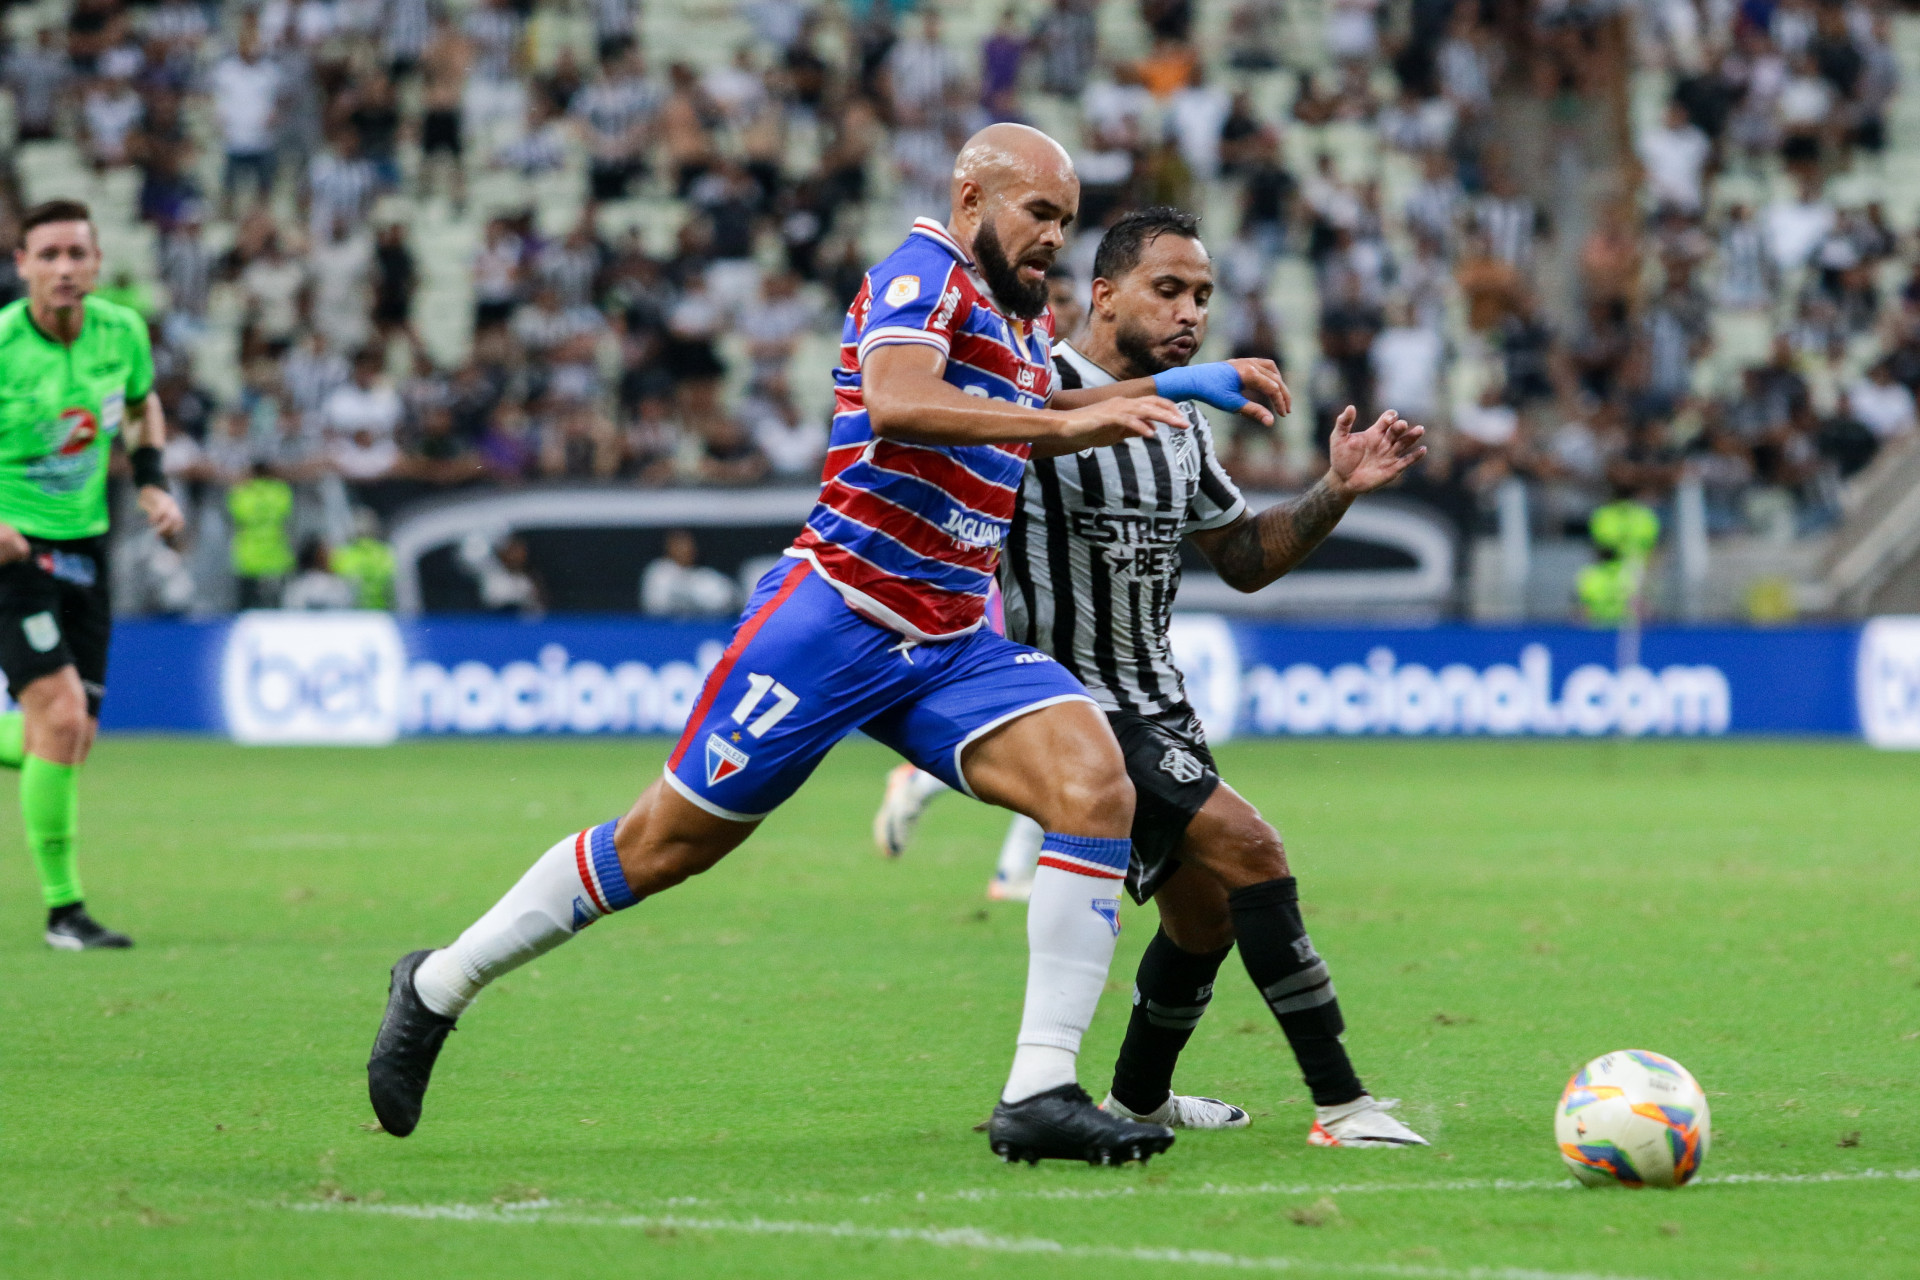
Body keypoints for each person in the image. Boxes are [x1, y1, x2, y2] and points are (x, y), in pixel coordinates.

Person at [366, 124, 1288, 1165]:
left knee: (1094, 782)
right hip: (837, 617)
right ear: (973, 198)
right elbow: (901, 400)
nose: (1052, 240)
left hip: (947, 637)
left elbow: (1039, 402)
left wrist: (1162, 390)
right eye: (1039, 215)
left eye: (1066, 223)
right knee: (662, 844)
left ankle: (1040, 1088)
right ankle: (438, 982)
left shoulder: (1020, 313)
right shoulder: (923, 273)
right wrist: (1070, 427)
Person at [873, 207, 1431, 1147]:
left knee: (1206, 916)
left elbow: (1246, 556)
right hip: (1069, 708)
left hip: (1161, 708)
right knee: (1253, 849)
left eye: (1203, 296)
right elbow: (953, 445)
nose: (1189, 312)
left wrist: (1336, 489)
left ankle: (1134, 1103)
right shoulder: (1033, 394)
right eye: (1168, 289)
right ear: (1103, 294)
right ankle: (1343, 1104)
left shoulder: (1178, 427)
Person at [0, 200, 187, 949]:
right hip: (14, 556)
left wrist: (151, 480)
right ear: (23, 268)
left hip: (88, 548)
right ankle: (63, 912)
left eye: (77, 253)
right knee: (63, 717)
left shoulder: (122, 332)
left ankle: (64, 909)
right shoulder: (4, 345)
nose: (65, 268)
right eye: (48, 255)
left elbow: (143, 408)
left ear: (97, 261)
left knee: (70, 739)